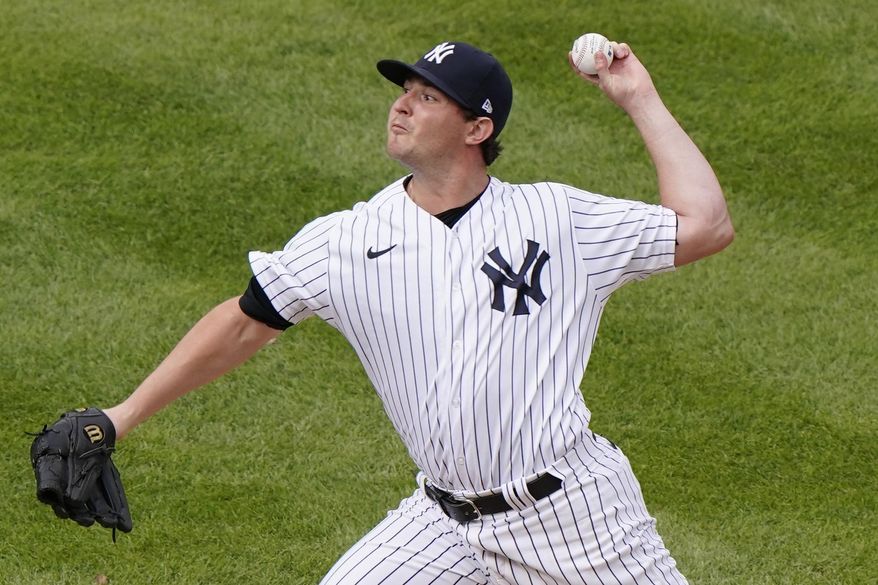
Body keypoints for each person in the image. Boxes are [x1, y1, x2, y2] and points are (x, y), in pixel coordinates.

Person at [102, 39, 733, 584]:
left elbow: (706, 226)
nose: (401, 104)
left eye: (428, 97)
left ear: (477, 128)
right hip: (442, 522)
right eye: (405, 89)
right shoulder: (346, 239)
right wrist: (120, 416)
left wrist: (639, 99)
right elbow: (242, 322)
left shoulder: (559, 219)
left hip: (574, 518)